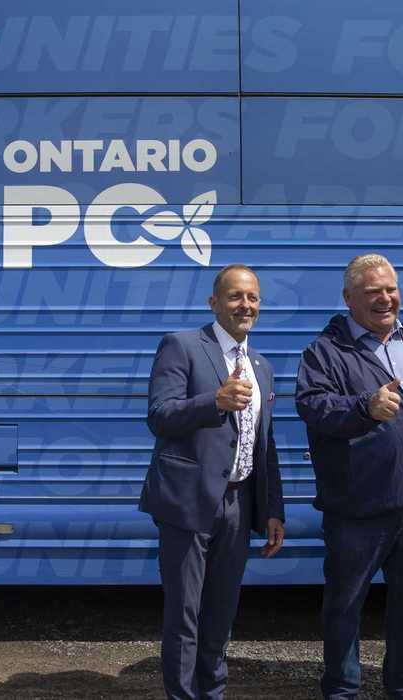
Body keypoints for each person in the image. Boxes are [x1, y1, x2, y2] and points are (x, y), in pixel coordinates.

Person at [295, 254, 403, 700]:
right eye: (373, 292)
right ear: (349, 298)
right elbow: (313, 407)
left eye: (390, 289)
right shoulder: (325, 353)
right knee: (345, 605)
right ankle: (342, 689)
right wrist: (363, 409)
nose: (385, 298)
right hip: (358, 506)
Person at [140, 263, 286, 700]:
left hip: (239, 505)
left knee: (221, 614)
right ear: (214, 302)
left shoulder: (261, 365)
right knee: (184, 616)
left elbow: (266, 443)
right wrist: (214, 402)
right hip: (188, 503)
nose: (246, 305)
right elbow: (159, 416)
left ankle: (213, 692)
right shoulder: (182, 346)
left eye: (253, 297)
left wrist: (273, 508)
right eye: (236, 296)